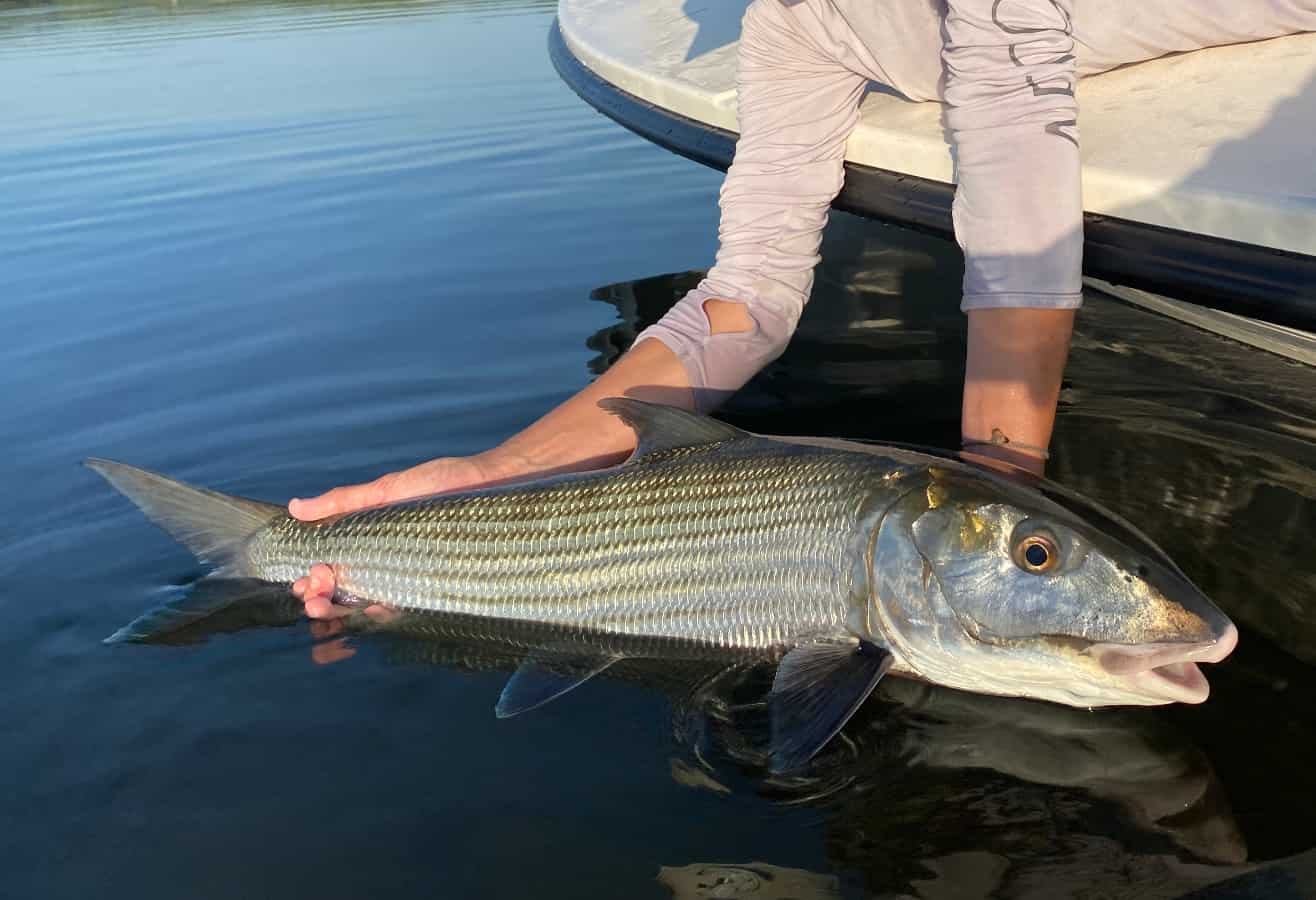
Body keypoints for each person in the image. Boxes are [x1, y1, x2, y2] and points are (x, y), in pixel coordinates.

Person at [291, 0, 1316, 619]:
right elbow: (743, 299)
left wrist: (999, 517)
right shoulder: (794, 27)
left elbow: (1020, 252)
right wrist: (495, 475)